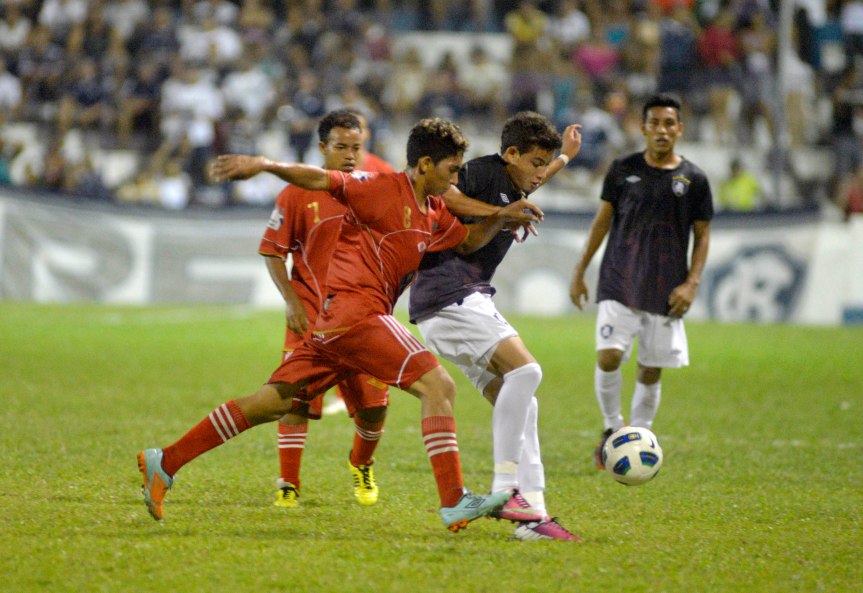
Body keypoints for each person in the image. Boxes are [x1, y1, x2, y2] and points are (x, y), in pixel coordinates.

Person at [138, 118, 543, 533]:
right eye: (452, 169)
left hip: (335, 325)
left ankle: (165, 461)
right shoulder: (381, 187)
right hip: (358, 315)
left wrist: (503, 216)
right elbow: (318, 179)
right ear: (424, 164)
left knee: (272, 402)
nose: (458, 179)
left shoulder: (433, 210)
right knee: (438, 387)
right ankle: (454, 499)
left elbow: (470, 241)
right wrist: (263, 164)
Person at [409, 112, 583, 542]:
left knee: (525, 401)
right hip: (448, 295)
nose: (540, 174)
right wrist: (501, 212)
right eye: (536, 162)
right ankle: (506, 488)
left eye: (545, 165)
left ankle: (533, 518)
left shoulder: (520, 177)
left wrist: (564, 159)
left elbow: (531, 180)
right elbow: (444, 193)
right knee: (527, 373)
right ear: (510, 154)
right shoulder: (483, 173)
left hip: (463, 301)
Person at [569, 94, 713, 470]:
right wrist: (580, 269)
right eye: (655, 123)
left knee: (650, 368)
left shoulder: (694, 179)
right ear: (643, 127)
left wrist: (692, 283)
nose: (662, 130)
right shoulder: (622, 170)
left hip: (666, 286)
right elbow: (602, 222)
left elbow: (703, 235)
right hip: (620, 277)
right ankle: (612, 430)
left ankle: (642, 433)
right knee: (609, 355)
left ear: (679, 129)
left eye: (670, 123)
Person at [260, 110, 390, 508]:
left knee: (373, 410)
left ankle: (361, 463)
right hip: (311, 316)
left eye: (357, 147)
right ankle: (288, 483)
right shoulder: (297, 192)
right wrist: (292, 300)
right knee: (292, 398)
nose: (351, 155)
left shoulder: (376, 187)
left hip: (363, 319)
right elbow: (271, 251)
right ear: (322, 148)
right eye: (341, 147)